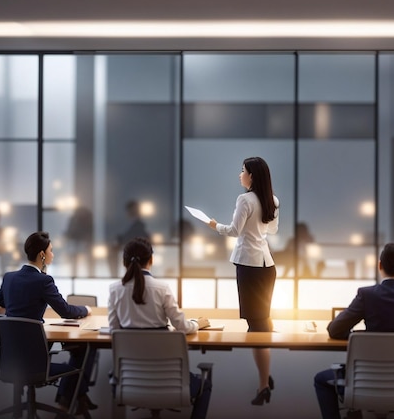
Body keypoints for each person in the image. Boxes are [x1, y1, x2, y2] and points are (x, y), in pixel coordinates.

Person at [313, 243, 394, 419]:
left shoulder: (368, 295)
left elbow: (334, 330)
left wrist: (357, 337)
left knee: (321, 379)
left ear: (380, 265)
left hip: (364, 382)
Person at [0, 231, 97, 414]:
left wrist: (18, 307)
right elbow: (65, 311)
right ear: (42, 254)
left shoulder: (9, 277)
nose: (53, 255)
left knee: (80, 351)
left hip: (9, 361)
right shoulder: (43, 280)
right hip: (35, 362)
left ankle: (75, 399)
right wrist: (86, 309)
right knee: (83, 355)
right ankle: (69, 401)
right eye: (51, 250)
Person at [107, 237, 212, 419]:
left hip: (131, 382)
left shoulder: (115, 289)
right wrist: (198, 324)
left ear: (124, 262)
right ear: (151, 260)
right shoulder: (162, 288)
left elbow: (114, 329)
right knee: (206, 384)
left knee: (112, 375)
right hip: (171, 382)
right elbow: (181, 326)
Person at [208, 156, 279, 406]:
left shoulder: (245, 199)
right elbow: (272, 231)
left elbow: (235, 231)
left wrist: (214, 225)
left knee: (257, 324)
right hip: (266, 265)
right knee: (261, 321)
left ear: (252, 176)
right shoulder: (273, 200)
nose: (240, 175)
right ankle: (265, 378)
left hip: (249, 266)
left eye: (243, 171)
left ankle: (263, 384)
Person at [110, 200, 150, 277]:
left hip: (136, 254)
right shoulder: (130, 225)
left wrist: (119, 240)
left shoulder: (138, 226)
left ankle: (114, 275)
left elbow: (131, 237)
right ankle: (114, 275)